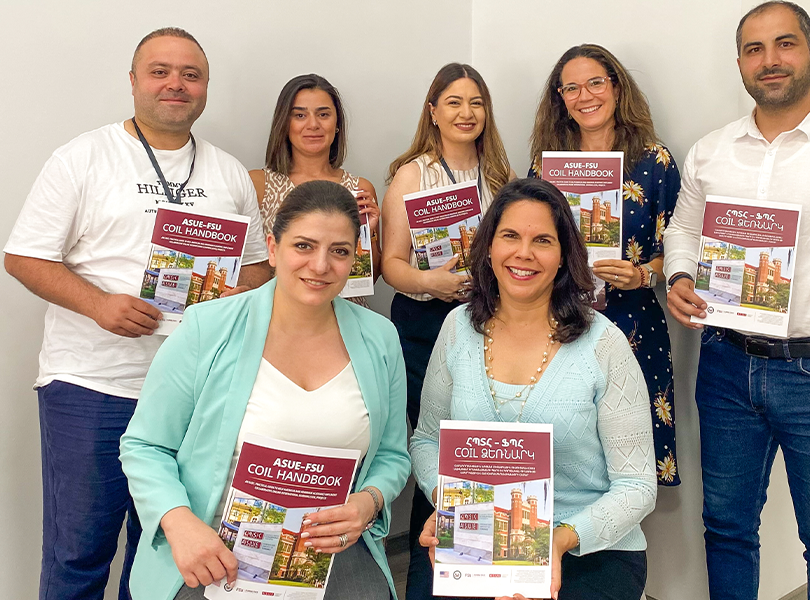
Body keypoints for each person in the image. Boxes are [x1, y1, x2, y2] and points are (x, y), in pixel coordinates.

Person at [3, 28, 269, 600]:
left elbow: (258, 270)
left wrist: (229, 292)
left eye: (191, 75)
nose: (176, 84)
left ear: (205, 88)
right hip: (93, 387)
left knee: (162, 560)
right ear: (133, 81)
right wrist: (98, 305)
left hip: (192, 397)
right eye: (160, 71)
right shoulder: (83, 157)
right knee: (79, 553)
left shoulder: (228, 172)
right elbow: (23, 256)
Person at [663, 3, 810, 599]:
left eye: (785, 44)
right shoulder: (711, 150)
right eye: (754, 49)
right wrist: (679, 275)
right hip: (725, 364)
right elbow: (684, 229)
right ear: (740, 63)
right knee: (726, 527)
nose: (770, 60)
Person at [119, 181, 411, 600]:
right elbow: (145, 445)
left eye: (339, 251)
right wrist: (179, 522)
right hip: (215, 550)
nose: (320, 265)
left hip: (328, 551)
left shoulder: (380, 338)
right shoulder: (207, 327)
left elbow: (392, 455)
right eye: (304, 246)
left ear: (354, 259)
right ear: (273, 249)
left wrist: (369, 501)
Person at [410, 178, 657, 600]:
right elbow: (426, 441)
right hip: (479, 534)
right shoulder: (456, 329)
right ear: (489, 247)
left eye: (542, 240)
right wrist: (450, 504)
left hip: (585, 548)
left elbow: (637, 486)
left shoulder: (604, 344)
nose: (523, 253)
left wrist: (556, 542)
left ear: (563, 256)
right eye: (510, 236)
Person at [380, 62, 514, 599]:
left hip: (489, 322)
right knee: (437, 451)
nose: (466, 112)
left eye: (476, 102)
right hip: (424, 325)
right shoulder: (411, 175)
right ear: (433, 111)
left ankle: (483, 571)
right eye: (454, 102)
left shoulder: (501, 176)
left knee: (480, 446)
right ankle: (426, 583)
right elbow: (391, 265)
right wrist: (430, 282)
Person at [529, 44, 682, 486]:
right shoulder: (547, 164)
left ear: (616, 87)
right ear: (560, 99)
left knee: (630, 463)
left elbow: (679, 248)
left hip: (633, 326)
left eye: (596, 82)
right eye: (571, 88)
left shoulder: (655, 161)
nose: (585, 96)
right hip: (558, 323)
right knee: (564, 457)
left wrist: (643, 275)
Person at [250, 74, 381, 307]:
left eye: (323, 114)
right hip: (279, 316)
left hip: (344, 315)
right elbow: (249, 267)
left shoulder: (360, 188)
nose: (313, 125)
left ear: (337, 124)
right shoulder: (258, 184)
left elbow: (370, 279)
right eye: (300, 115)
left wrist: (366, 236)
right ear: (284, 123)